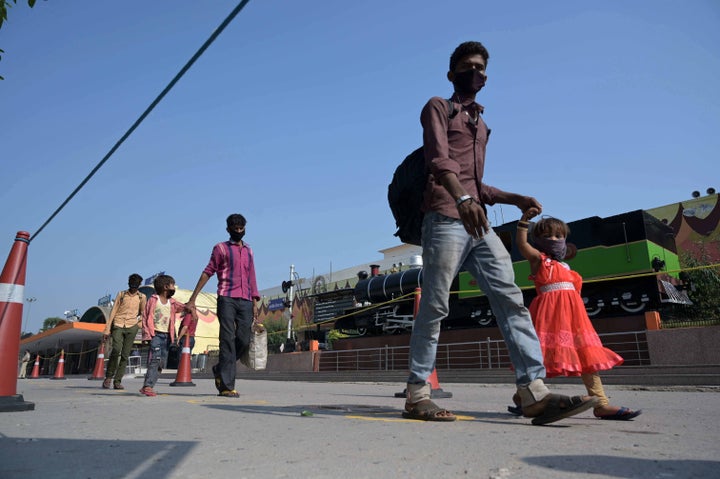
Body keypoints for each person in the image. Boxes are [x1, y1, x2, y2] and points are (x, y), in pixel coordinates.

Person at [403, 40, 597, 424]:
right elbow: (439, 162)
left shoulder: (482, 124)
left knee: (510, 299)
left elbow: (479, 187)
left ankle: (534, 392)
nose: (475, 72)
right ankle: (417, 392)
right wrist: (461, 200)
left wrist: (513, 196)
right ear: (451, 72)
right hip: (445, 218)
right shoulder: (438, 107)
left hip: (477, 222)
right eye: (468, 65)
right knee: (436, 306)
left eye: (481, 67)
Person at [510, 210, 642, 420]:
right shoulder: (538, 260)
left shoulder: (566, 266)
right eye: (547, 236)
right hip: (548, 316)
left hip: (574, 318)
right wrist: (524, 223)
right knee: (538, 357)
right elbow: (522, 246)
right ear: (538, 241)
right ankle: (524, 397)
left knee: (586, 356)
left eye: (558, 236)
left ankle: (601, 404)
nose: (554, 240)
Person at [186, 213, 261, 398]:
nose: (238, 232)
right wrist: (193, 298)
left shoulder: (249, 250)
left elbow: (252, 276)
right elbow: (208, 271)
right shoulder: (220, 249)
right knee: (227, 340)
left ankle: (220, 368)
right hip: (226, 298)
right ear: (228, 230)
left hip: (245, 300)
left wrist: (255, 302)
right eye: (235, 229)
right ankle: (227, 386)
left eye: (241, 229)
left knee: (243, 340)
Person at [139, 274, 189, 397]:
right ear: (166, 287)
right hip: (155, 334)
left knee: (161, 362)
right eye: (172, 285)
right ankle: (148, 386)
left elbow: (183, 307)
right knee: (155, 359)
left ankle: (149, 385)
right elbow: (145, 318)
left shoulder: (171, 302)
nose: (174, 287)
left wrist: (190, 306)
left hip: (167, 336)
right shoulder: (153, 300)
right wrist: (146, 335)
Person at [102, 274, 147, 390]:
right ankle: (108, 377)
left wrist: (139, 324)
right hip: (118, 324)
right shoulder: (121, 295)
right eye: (131, 285)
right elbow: (113, 311)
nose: (133, 288)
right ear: (128, 284)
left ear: (139, 285)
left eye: (135, 286)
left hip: (132, 326)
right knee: (116, 349)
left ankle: (117, 381)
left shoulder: (142, 297)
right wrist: (107, 328)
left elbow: (143, 313)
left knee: (125, 355)